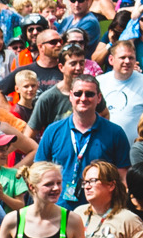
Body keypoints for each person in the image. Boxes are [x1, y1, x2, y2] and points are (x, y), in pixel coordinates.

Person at [33, 75, 131, 210]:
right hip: (58, 210)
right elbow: (38, 173)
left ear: (99, 98)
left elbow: (122, 177)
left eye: (89, 94)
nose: (83, 98)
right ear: (71, 96)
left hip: (99, 212)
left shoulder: (115, 133)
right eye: (78, 94)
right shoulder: (53, 131)